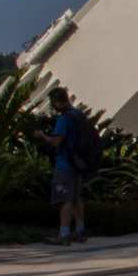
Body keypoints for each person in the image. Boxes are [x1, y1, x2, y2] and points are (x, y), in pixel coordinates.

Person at [33, 88, 87, 246]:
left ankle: (63, 234)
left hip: (65, 164)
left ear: (56, 102)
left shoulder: (64, 119)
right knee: (77, 198)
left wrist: (42, 136)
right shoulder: (78, 115)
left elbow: (56, 142)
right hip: (78, 163)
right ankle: (80, 230)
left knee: (65, 200)